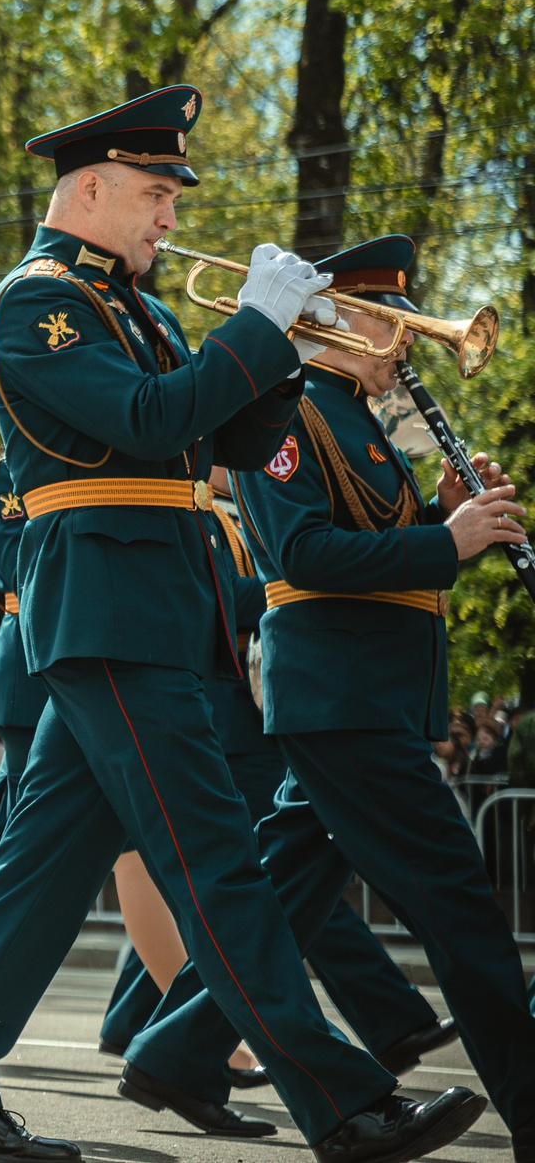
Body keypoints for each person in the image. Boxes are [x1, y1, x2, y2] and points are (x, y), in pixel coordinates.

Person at [0, 87, 482, 1163]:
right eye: (153, 193)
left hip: (150, 608)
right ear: (85, 189)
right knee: (219, 858)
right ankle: (343, 1101)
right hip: (108, 606)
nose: (170, 216)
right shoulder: (39, 301)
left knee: (39, 865)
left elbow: (216, 438)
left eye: (172, 195)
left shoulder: (144, 307)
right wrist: (255, 325)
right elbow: (144, 420)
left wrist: (299, 357)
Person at [120, 233, 532, 1158]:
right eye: (394, 323)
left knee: (286, 890)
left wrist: (446, 520)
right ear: (337, 317)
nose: (409, 345)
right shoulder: (287, 408)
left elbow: (390, 561)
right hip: (340, 699)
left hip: (364, 694)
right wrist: (447, 541)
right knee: (459, 904)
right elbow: (302, 557)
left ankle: (174, 1051)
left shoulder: (355, 415)